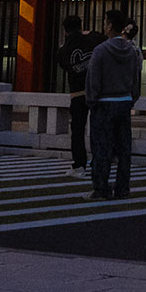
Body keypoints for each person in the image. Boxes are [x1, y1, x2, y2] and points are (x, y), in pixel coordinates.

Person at [86, 14, 142, 201]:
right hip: (124, 101)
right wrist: (131, 99)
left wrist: (92, 101)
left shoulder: (101, 50)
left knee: (102, 148)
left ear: (109, 26)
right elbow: (136, 79)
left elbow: (93, 79)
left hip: (103, 103)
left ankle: (101, 189)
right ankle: (122, 188)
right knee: (124, 149)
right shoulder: (131, 51)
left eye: (104, 23)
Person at [58, 15, 103, 180]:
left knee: (77, 130)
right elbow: (101, 36)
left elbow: (64, 65)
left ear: (65, 31)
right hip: (96, 91)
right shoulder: (93, 40)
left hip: (77, 93)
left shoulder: (63, 51)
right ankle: (99, 161)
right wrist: (88, 32)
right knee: (98, 129)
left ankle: (79, 164)